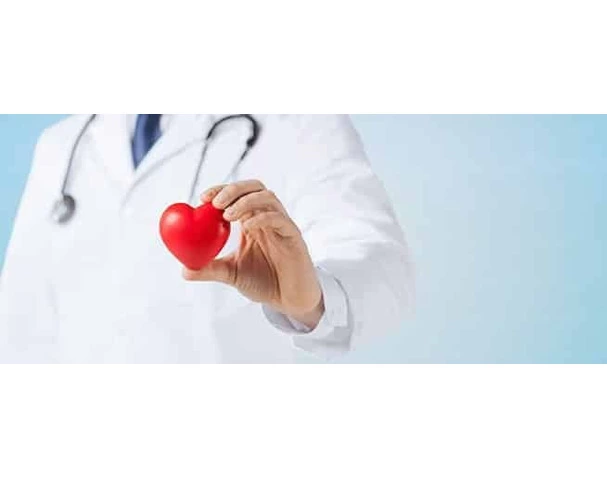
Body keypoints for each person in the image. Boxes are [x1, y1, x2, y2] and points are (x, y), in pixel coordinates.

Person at [0, 115, 414, 363]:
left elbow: (379, 260)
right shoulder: (65, 143)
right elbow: (21, 322)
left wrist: (313, 298)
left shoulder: (297, 121)